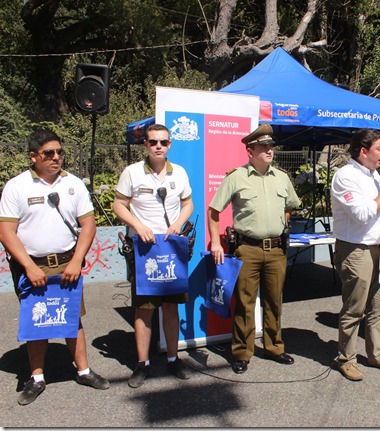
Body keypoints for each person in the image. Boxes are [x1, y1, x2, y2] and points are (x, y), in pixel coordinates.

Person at [0, 129, 109, 406]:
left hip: (66, 263)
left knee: (73, 317)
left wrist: (75, 261)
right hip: (32, 266)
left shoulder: (73, 184)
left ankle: (83, 371)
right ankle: (36, 378)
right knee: (38, 321)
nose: (56, 157)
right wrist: (29, 267)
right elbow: (6, 232)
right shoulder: (17, 186)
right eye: (49, 153)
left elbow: (88, 225)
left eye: (60, 152)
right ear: (33, 156)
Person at [207, 123, 301, 374]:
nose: (269, 150)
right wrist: (215, 242)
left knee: (274, 302)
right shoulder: (236, 177)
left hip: (276, 250)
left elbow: (290, 205)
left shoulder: (282, 177)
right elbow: (214, 211)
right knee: (245, 304)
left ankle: (274, 347)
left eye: (271, 146)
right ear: (250, 151)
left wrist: (279, 224)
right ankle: (242, 352)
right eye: (263, 146)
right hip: (247, 248)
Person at [112, 123, 194, 387]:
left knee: (171, 308)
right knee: (144, 310)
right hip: (144, 249)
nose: (159, 146)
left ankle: (173, 359)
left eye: (164, 142)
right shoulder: (132, 172)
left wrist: (179, 223)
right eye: (153, 142)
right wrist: (138, 226)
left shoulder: (179, 172)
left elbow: (188, 203)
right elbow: (118, 205)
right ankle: (142, 363)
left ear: (170, 145)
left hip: (171, 248)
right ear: (145, 145)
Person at [331, 128, 380, 381]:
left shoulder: (374, 176)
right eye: (379, 148)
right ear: (364, 151)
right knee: (354, 308)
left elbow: (376, 211)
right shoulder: (345, 176)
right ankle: (346, 358)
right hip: (356, 249)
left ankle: (377, 354)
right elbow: (361, 214)